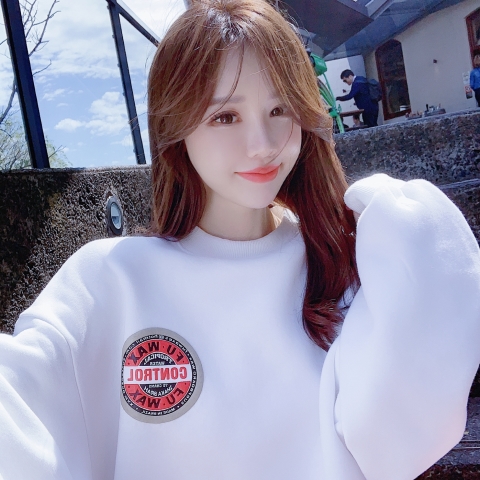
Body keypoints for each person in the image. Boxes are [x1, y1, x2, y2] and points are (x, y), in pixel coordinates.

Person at [1, 1, 480, 479]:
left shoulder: (349, 261)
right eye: (225, 116)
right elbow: (22, 404)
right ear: (175, 126)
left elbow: (403, 434)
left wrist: (416, 232)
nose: (263, 144)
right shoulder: (110, 279)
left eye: (280, 109)